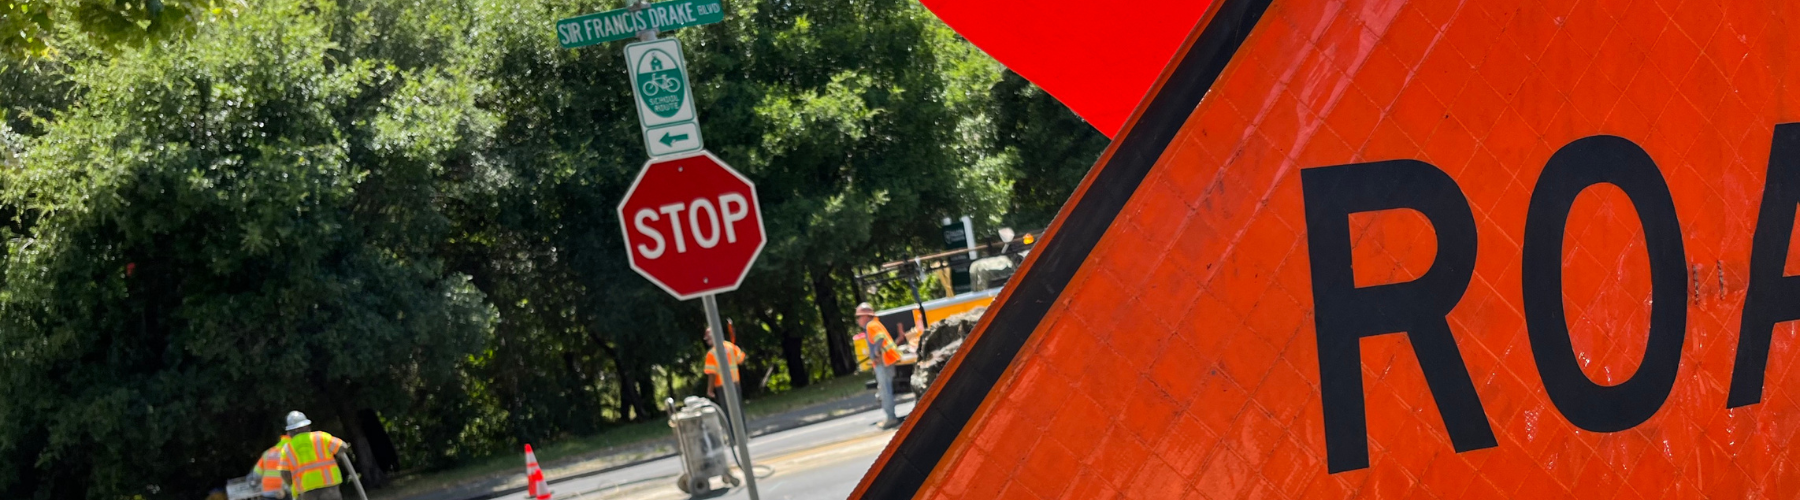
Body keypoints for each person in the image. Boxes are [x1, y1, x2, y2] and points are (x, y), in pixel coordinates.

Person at [280, 411, 354, 500]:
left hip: (307, 490)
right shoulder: (321, 436)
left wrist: (292, 484)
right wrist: (335, 459)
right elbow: (343, 447)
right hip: (329, 484)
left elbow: (285, 474)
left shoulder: (287, 449)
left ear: (290, 431)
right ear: (307, 426)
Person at [855, 303, 903, 429]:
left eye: (858, 317)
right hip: (885, 361)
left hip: (884, 362)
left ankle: (891, 418)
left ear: (865, 316)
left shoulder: (871, 325)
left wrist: (876, 353)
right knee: (884, 390)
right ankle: (890, 416)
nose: (858, 320)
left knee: (885, 390)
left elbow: (880, 339)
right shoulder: (874, 324)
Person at [702, 327, 748, 419]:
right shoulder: (730, 346)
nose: (707, 341)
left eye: (709, 338)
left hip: (722, 386)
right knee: (738, 410)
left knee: (728, 413)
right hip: (735, 384)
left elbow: (712, 374)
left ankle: (732, 432)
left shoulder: (712, 353)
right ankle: (742, 432)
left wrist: (710, 390)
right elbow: (741, 360)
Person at [250, 433, 295, 498]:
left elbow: (256, 474)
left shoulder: (268, 453)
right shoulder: (290, 453)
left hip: (268, 491)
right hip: (284, 491)